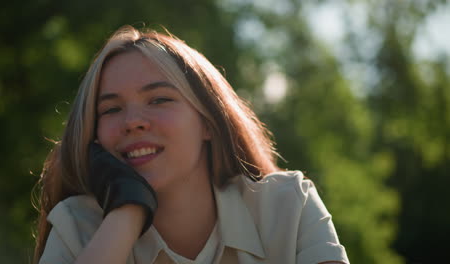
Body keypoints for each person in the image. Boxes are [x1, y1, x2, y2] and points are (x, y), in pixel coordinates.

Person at [33, 25, 349, 264]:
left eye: (158, 99)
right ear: (94, 136)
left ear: (208, 123)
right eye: (112, 109)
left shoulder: (289, 206)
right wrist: (128, 208)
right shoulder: (76, 228)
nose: (133, 121)